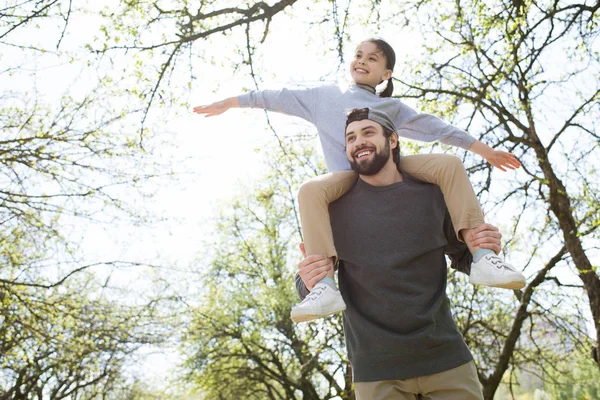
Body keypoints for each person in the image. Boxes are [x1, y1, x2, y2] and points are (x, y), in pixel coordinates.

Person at [193, 37, 525, 323]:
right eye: (358, 55)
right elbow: (274, 97)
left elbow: (437, 129)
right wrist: (229, 103)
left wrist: (487, 152)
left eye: (372, 58)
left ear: (386, 74)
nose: (362, 61)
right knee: (309, 190)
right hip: (346, 178)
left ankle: (482, 257)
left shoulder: (390, 106)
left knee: (448, 164)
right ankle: (323, 286)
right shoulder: (324, 96)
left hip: (387, 166)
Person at [295, 107, 488, 399]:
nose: (358, 141)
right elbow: (310, 283)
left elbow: (462, 257)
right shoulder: (332, 209)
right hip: (377, 372)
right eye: (350, 138)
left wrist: (484, 245)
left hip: (447, 360)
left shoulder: (432, 194)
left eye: (368, 132)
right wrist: (307, 280)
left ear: (393, 140)